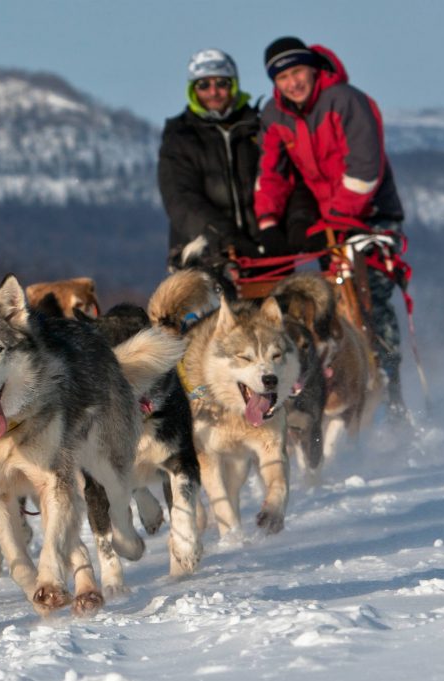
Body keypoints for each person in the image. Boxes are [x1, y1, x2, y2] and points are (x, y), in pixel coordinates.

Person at [254, 36, 408, 420]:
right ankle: (337, 386)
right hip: (328, 222)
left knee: (370, 295)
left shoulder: (345, 100)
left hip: (370, 212)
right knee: (328, 303)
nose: (293, 83)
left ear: (312, 68)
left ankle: (391, 386)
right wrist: (270, 222)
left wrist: (340, 219)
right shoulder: (275, 116)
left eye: (297, 72)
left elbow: (364, 168)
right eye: (283, 77)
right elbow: (271, 175)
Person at [158, 48, 317, 272]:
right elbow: (181, 200)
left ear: (233, 85)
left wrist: (295, 224)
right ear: (193, 90)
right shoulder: (179, 136)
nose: (214, 92)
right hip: (205, 256)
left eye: (222, 83)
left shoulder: (259, 126)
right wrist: (225, 238)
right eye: (204, 85)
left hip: (267, 254)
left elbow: (288, 178)